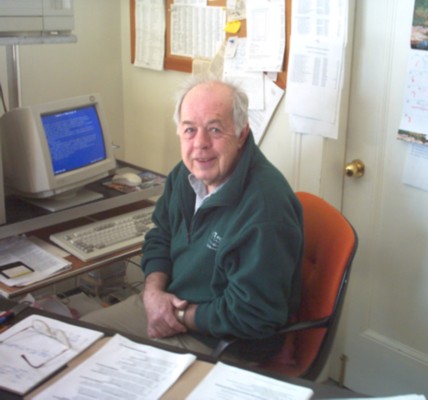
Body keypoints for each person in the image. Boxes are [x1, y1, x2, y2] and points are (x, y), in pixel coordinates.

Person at [83, 75, 304, 363]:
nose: (200, 144)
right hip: (167, 306)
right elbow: (160, 235)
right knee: (77, 340)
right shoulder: (184, 176)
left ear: (241, 134)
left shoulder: (265, 210)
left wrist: (176, 314)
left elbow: (253, 315)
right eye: (189, 130)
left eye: (214, 129)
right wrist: (153, 293)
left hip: (223, 340)